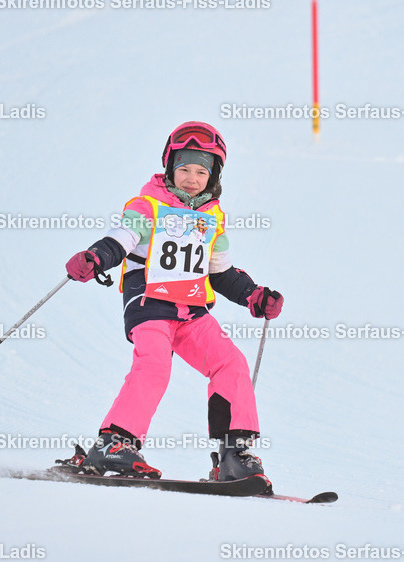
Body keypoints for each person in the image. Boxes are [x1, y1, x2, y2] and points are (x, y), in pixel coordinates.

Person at [62, 121, 283, 486]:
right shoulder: (148, 204)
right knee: (154, 365)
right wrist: (97, 257)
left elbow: (221, 273)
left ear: (213, 176)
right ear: (169, 168)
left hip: (191, 310)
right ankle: (115, 442)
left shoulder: (212, 218)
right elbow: (122, 237)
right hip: (149, 303)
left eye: (201, 171)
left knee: (231, 363)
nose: (192, 178)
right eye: (183, 169)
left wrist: (254, 295)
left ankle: (234, 453)